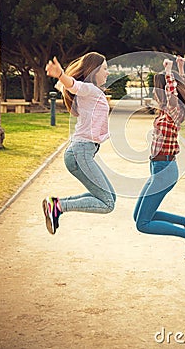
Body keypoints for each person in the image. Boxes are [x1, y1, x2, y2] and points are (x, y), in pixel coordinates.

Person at [133, 56, 185, 261]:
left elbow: (174, 91)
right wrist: (181, 68)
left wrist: (168, 70)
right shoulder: (169, 110)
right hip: (158, 168)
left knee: (143, 224)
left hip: (165, 170)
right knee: (138, 216)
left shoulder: (174, 110)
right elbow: (184, 89)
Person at [42, 52, 116, 235]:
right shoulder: (89, 90)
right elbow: (73, 85)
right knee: (107, 203)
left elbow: (71, 86)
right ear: (95, 70)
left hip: (80, 152)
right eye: (105, 69)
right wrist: (60, 75)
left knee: (109, 196)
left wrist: (62, 79)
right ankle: (58, 206)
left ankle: (56, 205)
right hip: (80, 152)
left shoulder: (93, 92)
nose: (107, 73)